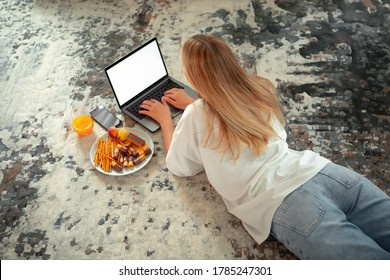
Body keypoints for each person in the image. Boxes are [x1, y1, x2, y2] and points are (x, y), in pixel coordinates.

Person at [139, 34, 390, 260]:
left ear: (193, 78)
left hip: (286, 203)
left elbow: (178, 165)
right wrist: (197, 104)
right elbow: (229, 109)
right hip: (324, 173)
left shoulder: (196, 115)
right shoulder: (260, 87)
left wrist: (165, 120)